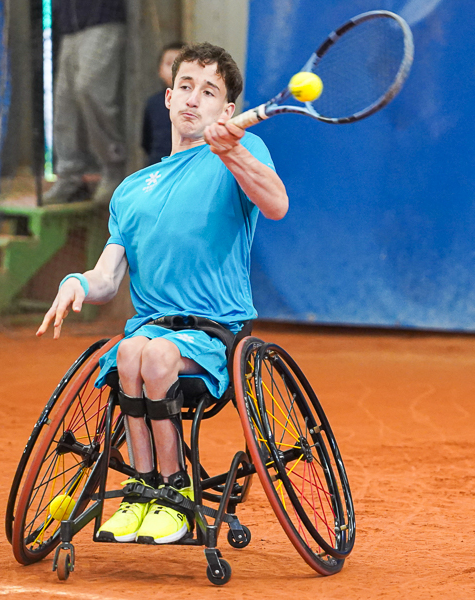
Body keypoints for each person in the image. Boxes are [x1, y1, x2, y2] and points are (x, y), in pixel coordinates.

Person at [36, 42, 288, 544]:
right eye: (187, 87)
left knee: (154, 357)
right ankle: (141, 490)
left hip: (217, 329)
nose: (195, 99)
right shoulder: (131, 189)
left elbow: (276, 203)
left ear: (227, 110)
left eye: (210, 91)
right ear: (170, 98)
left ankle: (174, 491)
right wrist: (74, 283)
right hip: (151, 332)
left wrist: (232, 150)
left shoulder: (242, 152)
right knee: (131, 348)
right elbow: (108, 278)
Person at [44, 0, 128, 206]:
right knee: (65, 103)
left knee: (89, 88)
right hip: (69, 27)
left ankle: (113, 166)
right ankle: (69, 176)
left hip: (102, 20)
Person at [141, 42, 182, 166]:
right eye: (169, 64)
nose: (174, 70)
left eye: (180, 65)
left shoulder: (197, 102)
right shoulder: (153, 102)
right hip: (157, 164)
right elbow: (146, 140)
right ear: (160, 70)